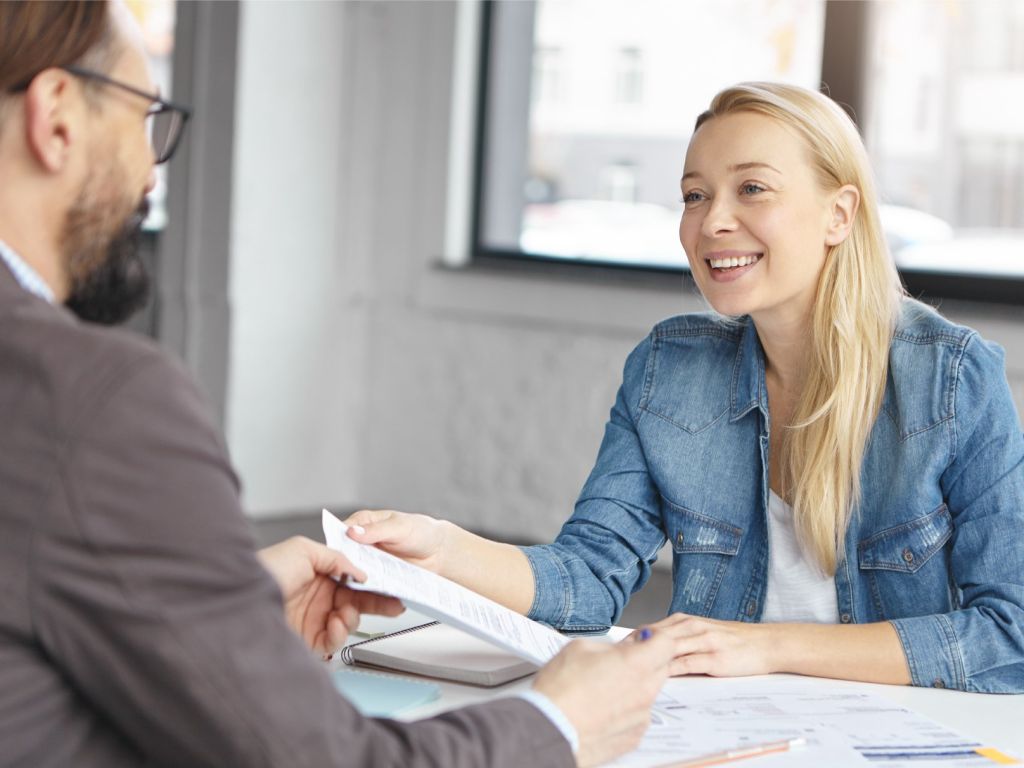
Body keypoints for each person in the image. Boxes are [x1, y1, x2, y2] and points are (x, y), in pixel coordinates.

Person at [0, 2, 676, 766]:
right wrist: (561, 724)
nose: (152, 168)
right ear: (57, 117)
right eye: (143, 118)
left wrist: (221, 609)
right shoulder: (98, 401)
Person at [348, 81, 1024, 693]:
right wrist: (444, 549)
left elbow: (1009, 634)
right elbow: (588, 579)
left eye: (751, 189)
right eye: (695, 195)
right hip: (715, 726)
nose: (712, 221)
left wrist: (769, 648)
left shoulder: (952, 380)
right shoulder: (667, 370)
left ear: (838, 215)